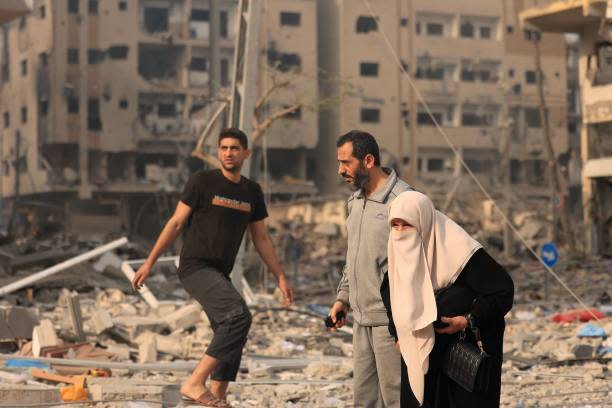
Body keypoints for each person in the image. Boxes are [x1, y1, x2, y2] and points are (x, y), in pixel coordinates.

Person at [132, 128, 293, 408]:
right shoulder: (202, 182)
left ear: (246, 153)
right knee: (237, 316)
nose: (228, 153)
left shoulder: (252, 191)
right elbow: (175, 223)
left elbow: (261, 238)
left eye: (234, 148)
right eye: (223, 148)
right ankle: (195, 383)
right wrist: (149, 262)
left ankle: (217, 397)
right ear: (218, 151)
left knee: (231, 331)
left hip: (220, 272)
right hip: (195, 266)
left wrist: (280, 276)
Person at [381, 191, 514, 408]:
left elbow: (502, 291)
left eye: (407, 225)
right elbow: (391, 299)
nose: (400, 233)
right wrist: (398, 335)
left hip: (462, 357)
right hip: (421, 357)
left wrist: (468, 319)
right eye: (394, 226)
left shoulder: (462, 253)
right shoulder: (398, 261)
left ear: (424, 223)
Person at [328, 130, 412, 407]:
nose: (340, 170)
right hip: (361, 319)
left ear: (367, 160)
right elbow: (354, 256)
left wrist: (407, 326)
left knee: (396, 397)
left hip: (392, 322)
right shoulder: (354, 202)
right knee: (363, 399)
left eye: (345, 163)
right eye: (339, 163)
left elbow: (417, 265)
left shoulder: (404, 201)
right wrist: (343, 298)